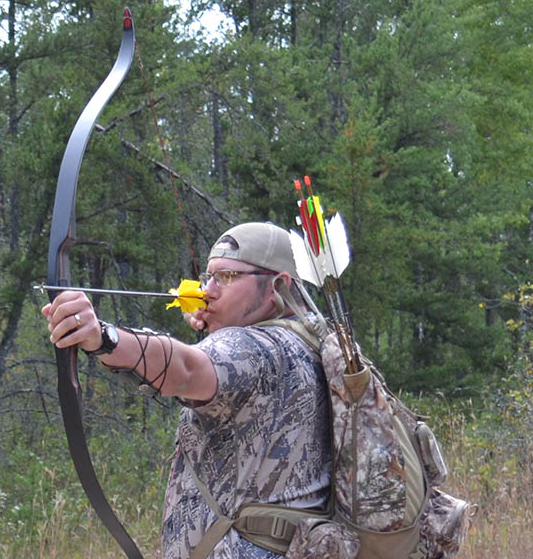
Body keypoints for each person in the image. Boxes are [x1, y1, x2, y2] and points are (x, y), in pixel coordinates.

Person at [42, 222, 333, 559]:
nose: (208, 291)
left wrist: (102, 337)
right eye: (208, 277)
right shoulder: (312, 342)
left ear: (277, 286)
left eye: (227, 277)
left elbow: (186, 369)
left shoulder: (251, 347)